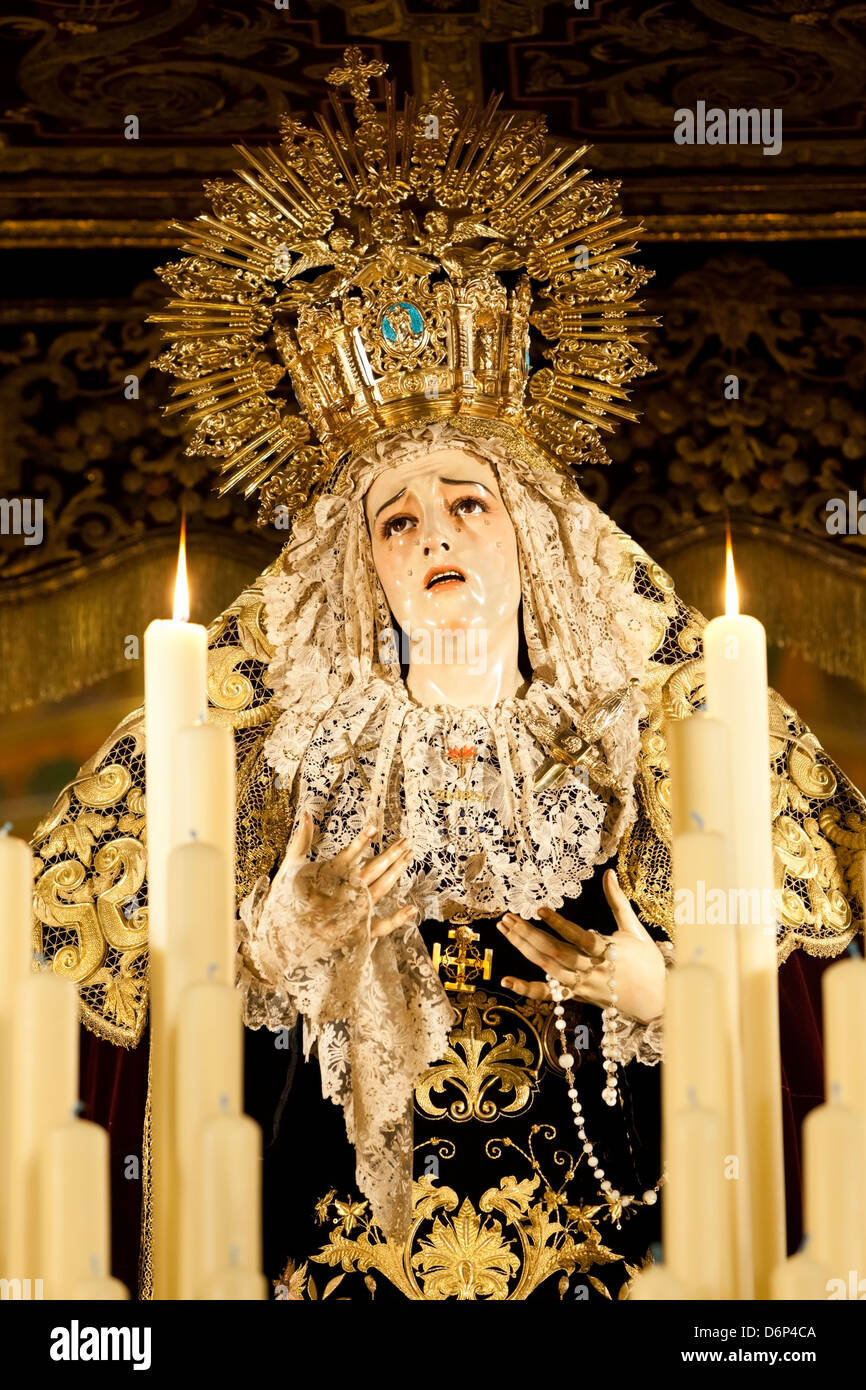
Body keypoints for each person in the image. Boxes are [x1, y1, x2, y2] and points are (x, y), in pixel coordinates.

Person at [33, 46, 863, 1301]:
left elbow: (816, 1033)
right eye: (394, 518)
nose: (430, 535)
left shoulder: (669, 740)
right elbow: (106, 1020)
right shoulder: (262, 752)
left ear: (531, 534)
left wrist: (677, 992)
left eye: (465, 502)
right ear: (355, 565)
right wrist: (267, 946)